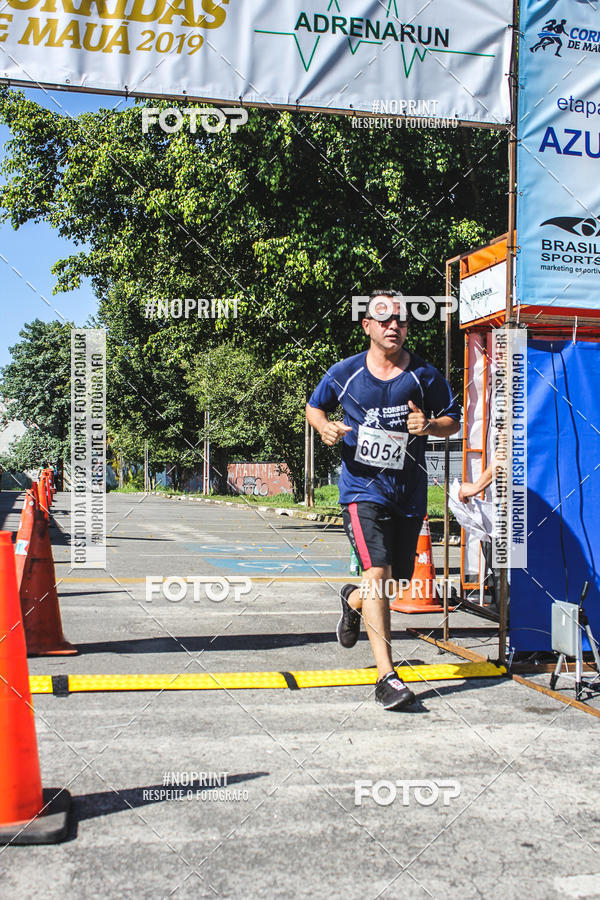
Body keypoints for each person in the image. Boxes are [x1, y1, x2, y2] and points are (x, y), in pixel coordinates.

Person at [306, 290, 460, 710]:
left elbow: (452, 419)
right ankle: (386, 676)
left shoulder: (424, 375)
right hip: (362, 490)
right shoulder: (345, 373)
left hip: (407, 493)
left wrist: (429, 425)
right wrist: (324, 427)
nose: (394, 326)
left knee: (393, 583)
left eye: (401, 320)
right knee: (377, 571)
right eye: (385, 318)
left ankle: (352, 600)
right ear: (368, 326)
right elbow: (314, 407)